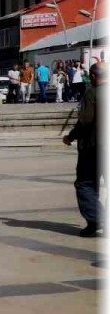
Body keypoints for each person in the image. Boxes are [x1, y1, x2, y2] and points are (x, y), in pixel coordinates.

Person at [64, 62, 102, 237]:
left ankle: (97, 219)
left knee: (85, 184)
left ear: (93, 77)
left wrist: (70, 136)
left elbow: (85, 121)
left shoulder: (92, 93)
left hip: (93, 147)